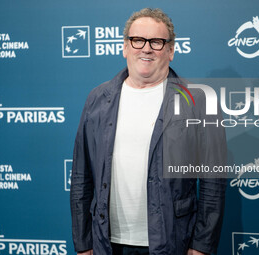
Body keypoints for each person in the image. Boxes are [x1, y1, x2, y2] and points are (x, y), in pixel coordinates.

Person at [70, 8, 227, 255]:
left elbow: (212, 183)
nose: (146, 48)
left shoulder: (198, 101)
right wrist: (83, 242)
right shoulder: (97, 100)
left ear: (171, 51)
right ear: (125, 47)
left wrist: (201, 247)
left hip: (172, 243)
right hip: (108, 244)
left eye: (156, 41)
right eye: (137, 40)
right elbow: (81, 176)